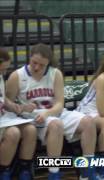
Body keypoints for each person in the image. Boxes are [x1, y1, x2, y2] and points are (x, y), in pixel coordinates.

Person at [6, 43, 97, 180]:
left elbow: (60, 103)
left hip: (53, 112)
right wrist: (22, 108)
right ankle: (54, 173)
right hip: (32, 118)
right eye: (34, 62)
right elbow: (7, 105)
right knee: (56, 125)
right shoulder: (17, 76)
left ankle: (87, 170)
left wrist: (47, 113)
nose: (37, 67)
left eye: (42, 65)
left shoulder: (56, 74)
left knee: (88, 122)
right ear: (29, 58)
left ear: (48, 63)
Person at [0, 48, 37, 180]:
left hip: (3, 117)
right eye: (2, 69)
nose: (3, 73)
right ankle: (3, 171)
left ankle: (24, 170)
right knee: (13, 133)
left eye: (5, 70)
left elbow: (3, 100)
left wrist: (19, 107)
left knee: (30, 130)